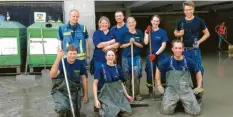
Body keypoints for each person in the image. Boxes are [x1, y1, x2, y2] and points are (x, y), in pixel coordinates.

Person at [156, 39, 203, 116]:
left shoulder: (188, 61)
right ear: (172, 49)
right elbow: (158, 69)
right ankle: (176, 102)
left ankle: (189, 101)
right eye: (176, 48)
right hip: (171, 90)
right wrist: (159, 85)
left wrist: (199, 86)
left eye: (180, 48)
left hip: (185, 89)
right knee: (165, 111)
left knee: (195, 112)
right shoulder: (167, 61)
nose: (178, 50)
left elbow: (198, 72)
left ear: (183, 49)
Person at [174, 1, 209, 91]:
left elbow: (207, 34)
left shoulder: (199, 21)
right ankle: (185, 91)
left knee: (198, 70)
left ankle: (199, 92)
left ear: (193, 9)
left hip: (195, 50)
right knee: (184, 71)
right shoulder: (180, 22)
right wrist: (178, 33)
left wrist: (199, 42)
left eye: (190, 9)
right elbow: (175, 32)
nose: (188, 12)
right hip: (183, 51)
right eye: (186, 10)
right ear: (183, 10)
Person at [93, 49, 134, 117]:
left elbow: (120, 83)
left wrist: (127, 95)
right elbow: (94, 84)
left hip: (117, 94)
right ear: (105, 57)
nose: (110, 57)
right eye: (109, 55)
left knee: (128, 111)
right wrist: (96, 99)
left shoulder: (118, 67)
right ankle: (101, 107)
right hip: (106, 95)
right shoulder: (100, 68)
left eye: (112, 55)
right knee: (112, 113)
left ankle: (112, 108)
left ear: (115, 56)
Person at [50, 45, 88, 117]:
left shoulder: (80, 63)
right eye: (70, 53)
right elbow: (52, 75)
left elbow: (83, 78)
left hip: (74, 90)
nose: (72, 56)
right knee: (63, 107)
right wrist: (58, 58)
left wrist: (85, 94)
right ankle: (61, 114)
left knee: (74, 114)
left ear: (77, 54)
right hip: (61, 90)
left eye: (74, 53)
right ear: (66, 53)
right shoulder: (62, 63)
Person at [144, 15, 169, 98]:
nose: (155, 22)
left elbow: (163, 45)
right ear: (151, 21)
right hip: (150, 55)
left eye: (157, 21)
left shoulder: (162, 32)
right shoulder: (148, 31)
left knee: (162, 71)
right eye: (154, 21)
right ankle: (150, 90)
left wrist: (156, 54)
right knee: (150, 71)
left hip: (160, 55)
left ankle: (163, 90)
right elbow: (146, 43)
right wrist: (147, 33)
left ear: (159, 22)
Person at [120, 17, 144, 101]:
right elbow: (120, 45)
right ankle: (128, 94)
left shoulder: (139, 32)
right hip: (126, 57)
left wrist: (135, 42)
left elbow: (141, 45)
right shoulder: (124, 33)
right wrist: (129, 43)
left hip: (136, 57)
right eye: (129, 22)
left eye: (133, 22)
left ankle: (137, 94)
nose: (131, 24)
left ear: (135, 22)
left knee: (136, 75)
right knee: (126, 76)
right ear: (127, 24)